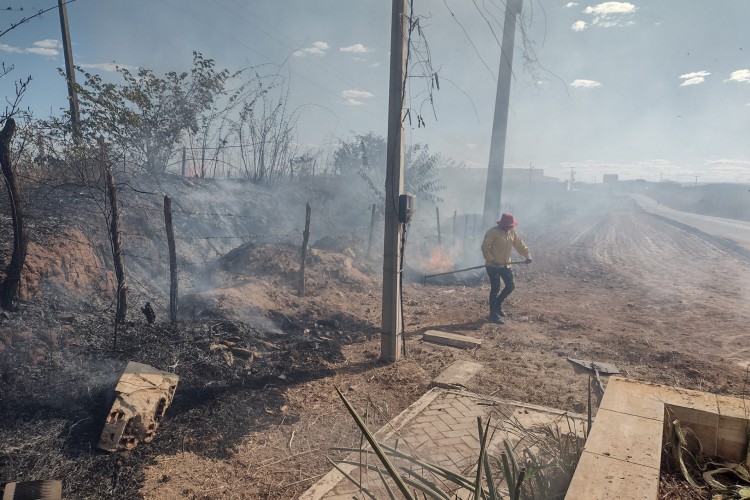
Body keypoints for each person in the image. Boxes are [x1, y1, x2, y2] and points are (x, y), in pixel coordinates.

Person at [481, 213, 532, 324]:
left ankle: (498, 304)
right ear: (503, 225)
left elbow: (520, 245)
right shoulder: (492, 232)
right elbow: (485, 247)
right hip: (493, 266)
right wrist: (491, 259)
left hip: (505, 265)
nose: (510, 227)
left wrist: (527, 256)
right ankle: (492, 314)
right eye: (508, 225)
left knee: (510, 286)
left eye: (511, 226)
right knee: (495, 288)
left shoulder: (512, 233)